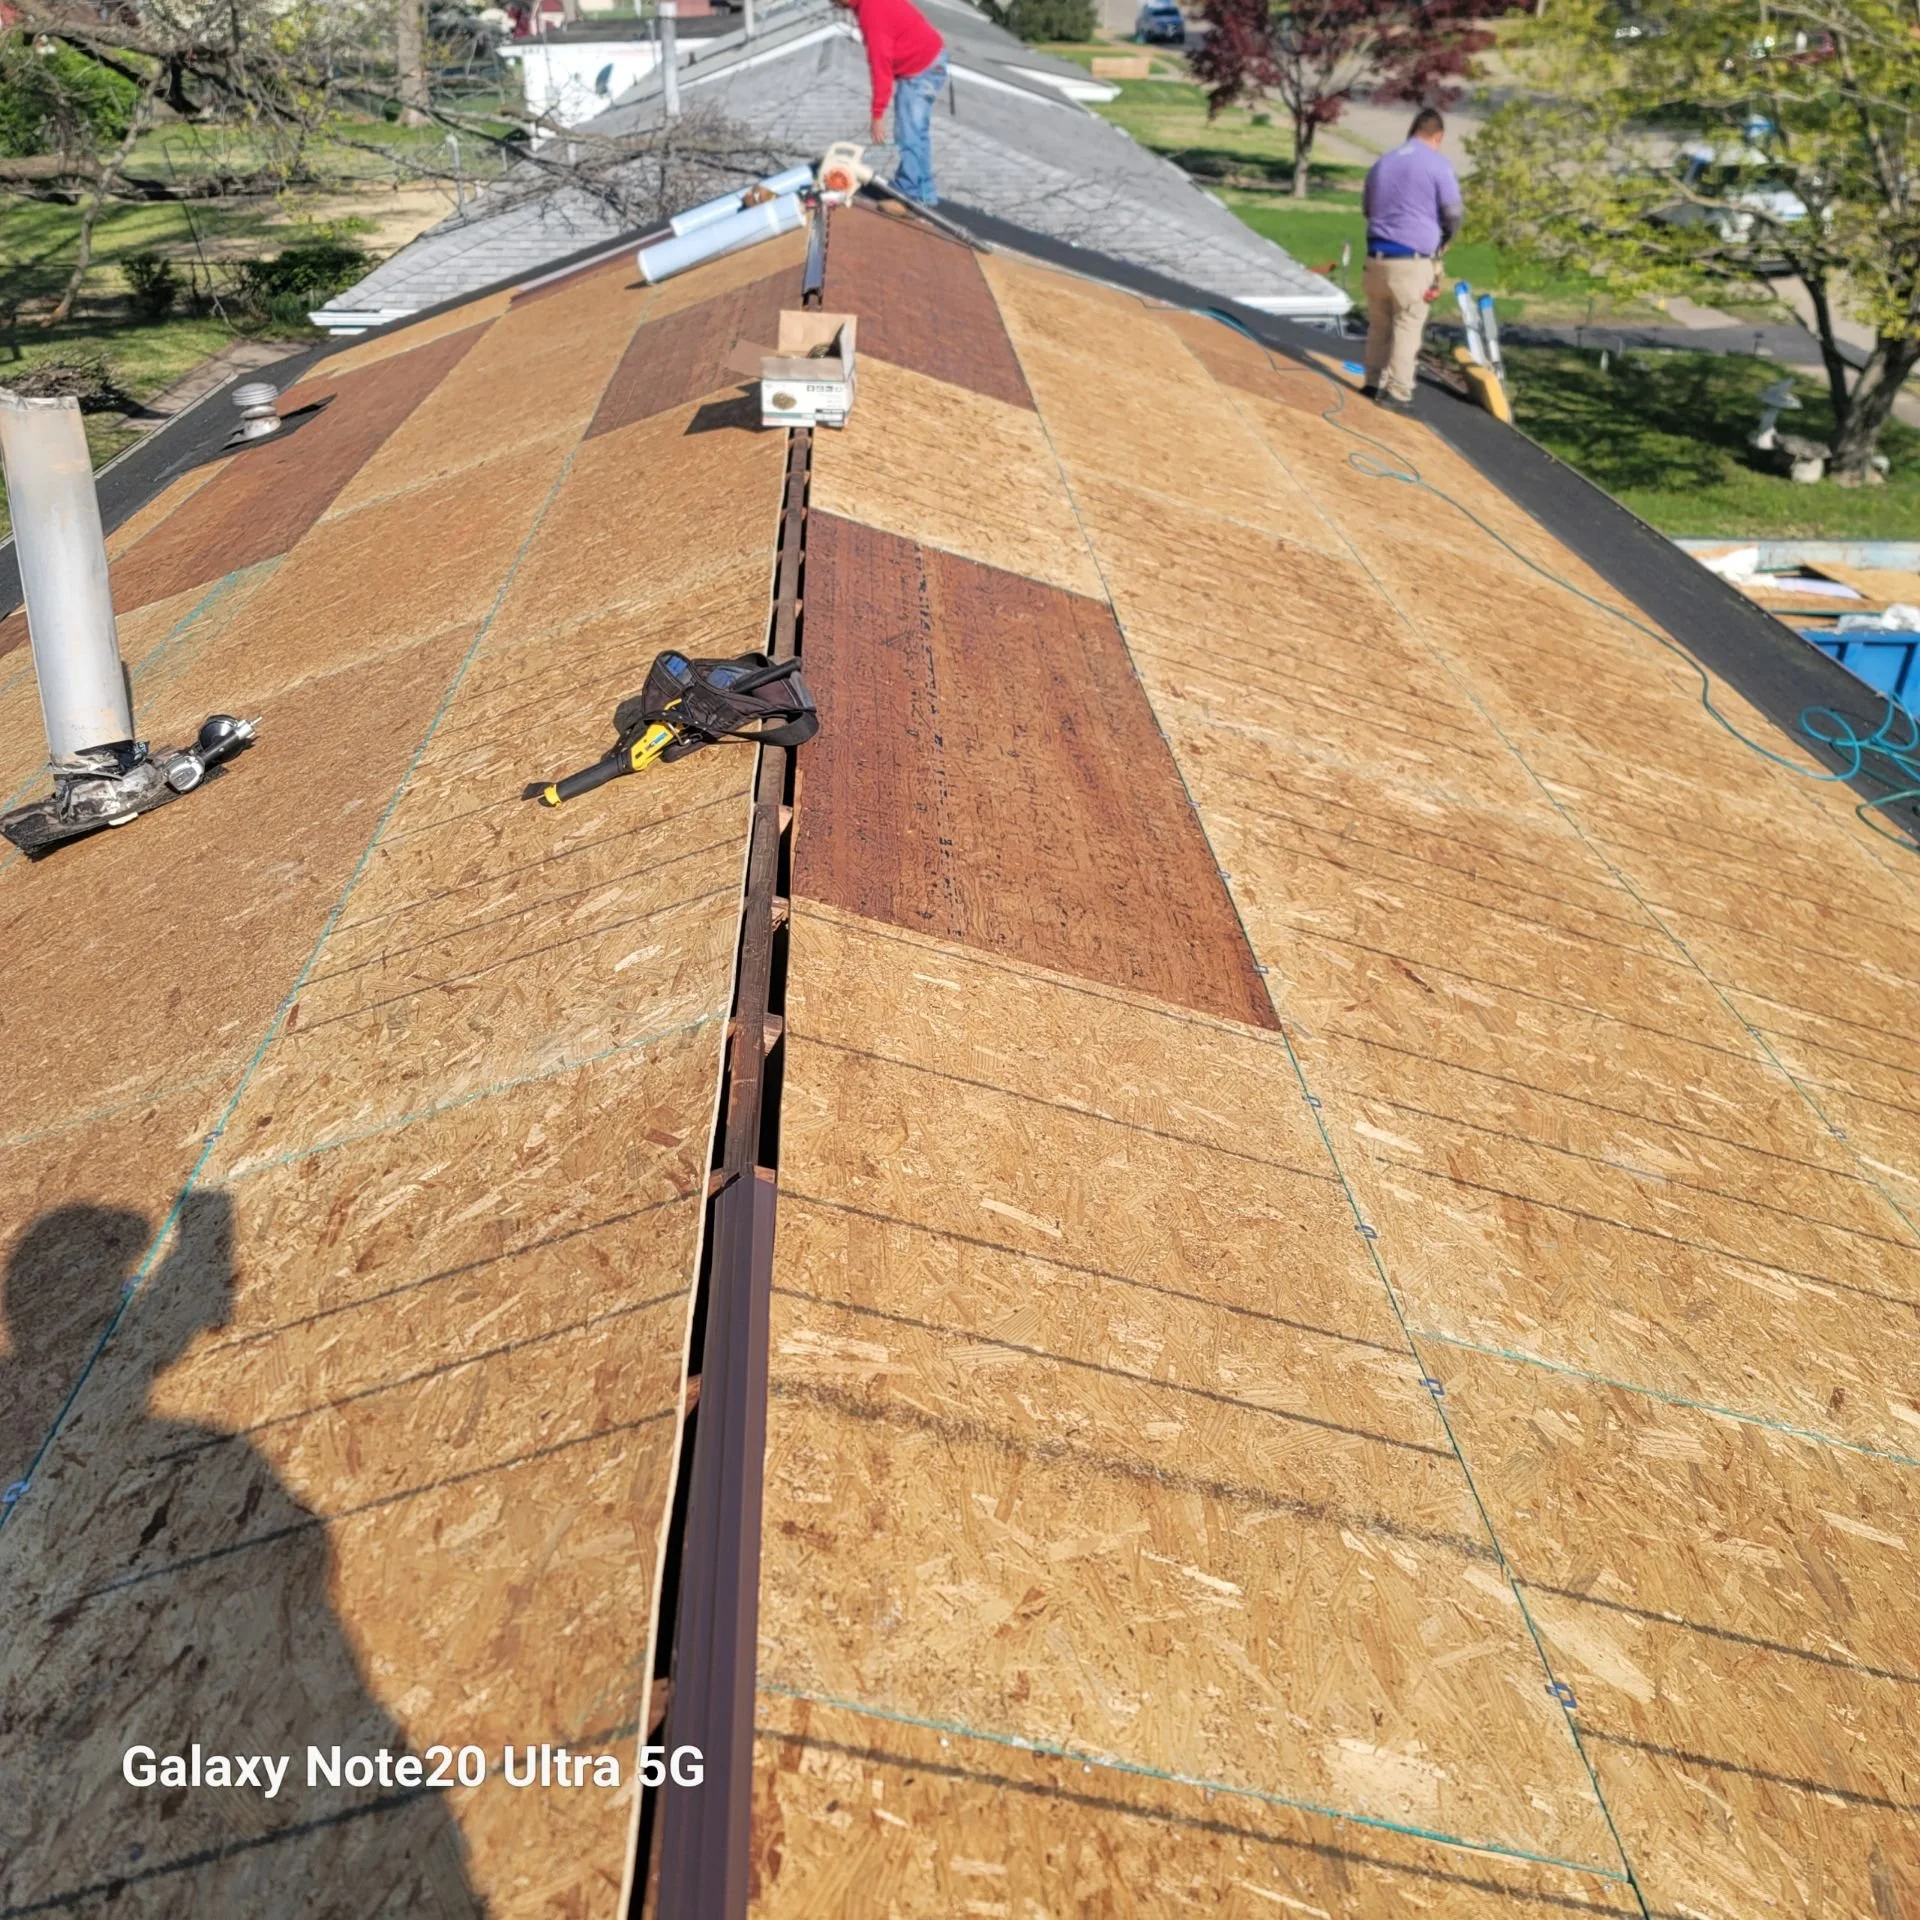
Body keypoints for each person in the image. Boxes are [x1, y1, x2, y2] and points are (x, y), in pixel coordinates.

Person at [1360, 108, 1465, 411]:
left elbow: (1368, 208)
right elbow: (1453, 213)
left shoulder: (1383, 163)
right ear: (1438, 136)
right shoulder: (1437, 164)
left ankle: (1372, 383)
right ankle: (1399, 392)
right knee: (1408, 323)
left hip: (1376, 258)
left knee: (1379, 325)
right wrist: (1445, 239)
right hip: (1412, 261)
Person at [832, 0, 947, 206]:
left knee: (909, 132)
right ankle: (924, 192)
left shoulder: (871, 12)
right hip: (930, 59)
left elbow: (881, 65)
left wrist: (877, 115)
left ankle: (909, 192)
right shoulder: (868, 5)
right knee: (916, 133)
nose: (835, 6)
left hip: (921, 69)